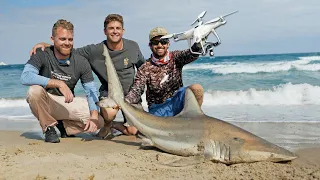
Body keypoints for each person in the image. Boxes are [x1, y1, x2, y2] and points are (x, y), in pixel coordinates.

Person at [29, 14, 145, 137]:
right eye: (111, 28)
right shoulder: (94, 51)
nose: (115, 31)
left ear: (123, 30)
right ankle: (108, 125)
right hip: (109, 94)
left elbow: (143, 68)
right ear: (105, 31)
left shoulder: (133, 46)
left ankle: (115, 125)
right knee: (109, 114)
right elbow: (68, 49)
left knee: (134, 132)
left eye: (118, 28)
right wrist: (47, 45)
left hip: (131, 96)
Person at [20, 19, 104, 143]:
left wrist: (95, 116)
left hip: (66, 103)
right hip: (47, 101)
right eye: (62, 39)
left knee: (99, 121)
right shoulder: (42, 54)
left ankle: (65, 127)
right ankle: (49, 127)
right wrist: (58, 83)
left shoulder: (81, 61)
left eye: (70, 39)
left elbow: (91, 90)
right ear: (52, 39)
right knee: (34, 91)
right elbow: (25, 76)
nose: (67, 43)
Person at [120, 27, 205, 134]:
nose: (160, 45)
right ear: (150, 45)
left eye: (163, 41)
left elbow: (192, 54)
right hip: (158, 110)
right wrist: (122, 103)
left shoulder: (176, 57)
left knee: (197, 89)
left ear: (168, 44)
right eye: (155, 42)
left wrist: (199, 43)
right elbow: (136, 90)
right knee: (143, 133)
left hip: (177, 103)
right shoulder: (145, 67)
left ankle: (193, 124)